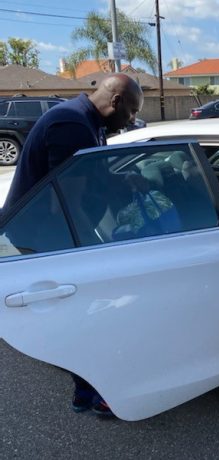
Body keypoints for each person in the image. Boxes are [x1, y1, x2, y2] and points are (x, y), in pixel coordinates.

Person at [2, 73, 144, 417]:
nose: (131, 121)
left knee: (74, 312)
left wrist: (126, 180)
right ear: (116, 102)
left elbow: (95, 174)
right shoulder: (71, 123)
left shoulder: (87, 122)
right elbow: (68, 197)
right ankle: (91, 393)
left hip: (47, 227)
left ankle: (86, 389)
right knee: (82, 311)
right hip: (43, 231)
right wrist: (96, 247)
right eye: (131, 113)